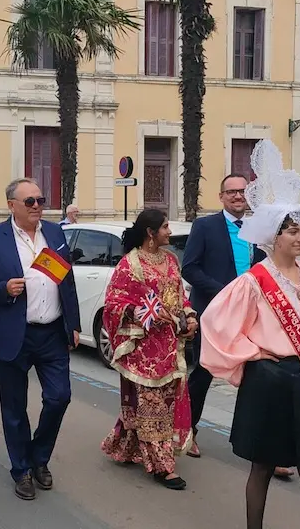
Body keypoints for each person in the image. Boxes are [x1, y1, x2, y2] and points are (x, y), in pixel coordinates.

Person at [200, 140, 300, 529]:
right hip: (268, 381)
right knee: (263, 467)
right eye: (291, 231)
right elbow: (216, 322)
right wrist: (254, 353)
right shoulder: (255, 281)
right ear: (274, 236)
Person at [0, 178, 81, 500]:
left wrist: (73, 323)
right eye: (29, 201)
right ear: (12, 205)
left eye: (40, 200)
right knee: (14, 408)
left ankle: (39, 458)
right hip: (13, 333)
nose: (37, 206)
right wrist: (2, 289)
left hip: (52, 333)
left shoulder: (55, 233)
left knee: (59, 398)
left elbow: (67, 280)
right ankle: (21, 469)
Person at [181, 173, 275, 468]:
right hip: (214, 315)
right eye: (231, 192)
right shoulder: (205, 226)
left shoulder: (256, 230)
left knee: (261, 378)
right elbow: (190, 269)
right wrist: (227, 294)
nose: (237, 196)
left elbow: (265, 268)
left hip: (251, 317)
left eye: (242, 192)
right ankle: (188, 432)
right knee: (202, 376)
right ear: (221, 197)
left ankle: (268, 448)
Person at [100, 209, 198, 490]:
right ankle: (162, 467)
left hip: (170, 347)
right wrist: (143, 313)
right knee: (151, 406)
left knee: (162, 403)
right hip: (143, 351)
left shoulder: (170, 260)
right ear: (150, 233)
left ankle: (126, 446)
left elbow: (180, 299)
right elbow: (114, 304)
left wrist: (190, 317)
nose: (169, 231)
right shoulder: (130, 264)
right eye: (165, 227)